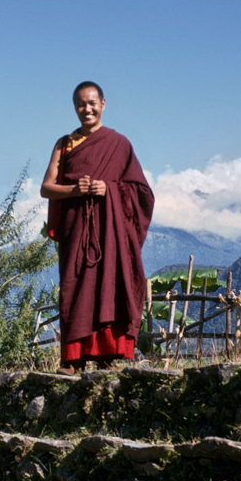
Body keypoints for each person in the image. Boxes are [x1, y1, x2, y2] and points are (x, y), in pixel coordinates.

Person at [41, 81, 155, 375]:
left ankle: (111, 353)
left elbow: (142, 192)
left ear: (103, 104)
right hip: (76, 230)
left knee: (111, 285)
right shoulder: (65, 144)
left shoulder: (119, 144)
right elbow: (46, 188)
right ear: (75, 107)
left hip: (111, 232)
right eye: (81, 104)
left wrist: (110, 189)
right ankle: (73, 359)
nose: (87, 109)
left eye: (92, 103)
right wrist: (74, 191)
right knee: (75, 287)